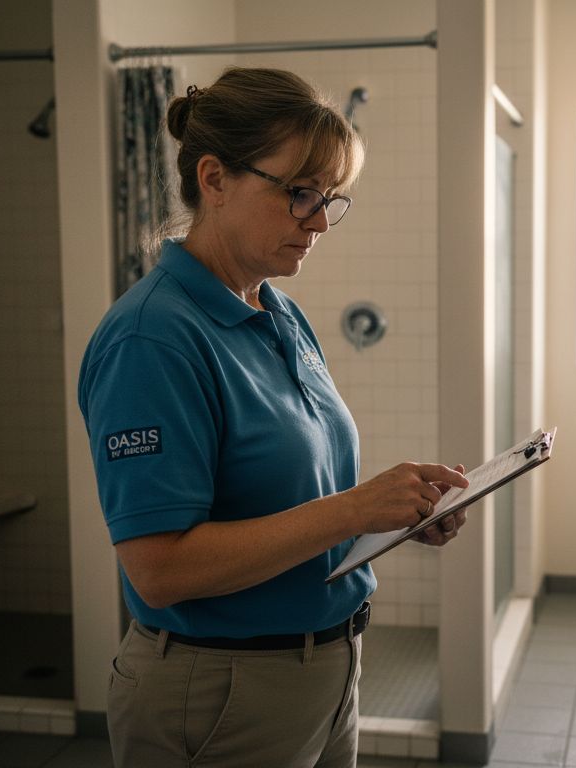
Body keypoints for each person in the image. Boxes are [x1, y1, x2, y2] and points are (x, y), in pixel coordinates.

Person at [78, 66, 469, 768]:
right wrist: (353, 509)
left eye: (329, 199)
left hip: (326, 670)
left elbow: (294, 503)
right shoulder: (152, 339)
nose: (318, 222)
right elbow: (159, 570)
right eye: (299, 194)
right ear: (215, 179)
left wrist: (393, 514)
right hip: (222, 689)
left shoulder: (277, 310)